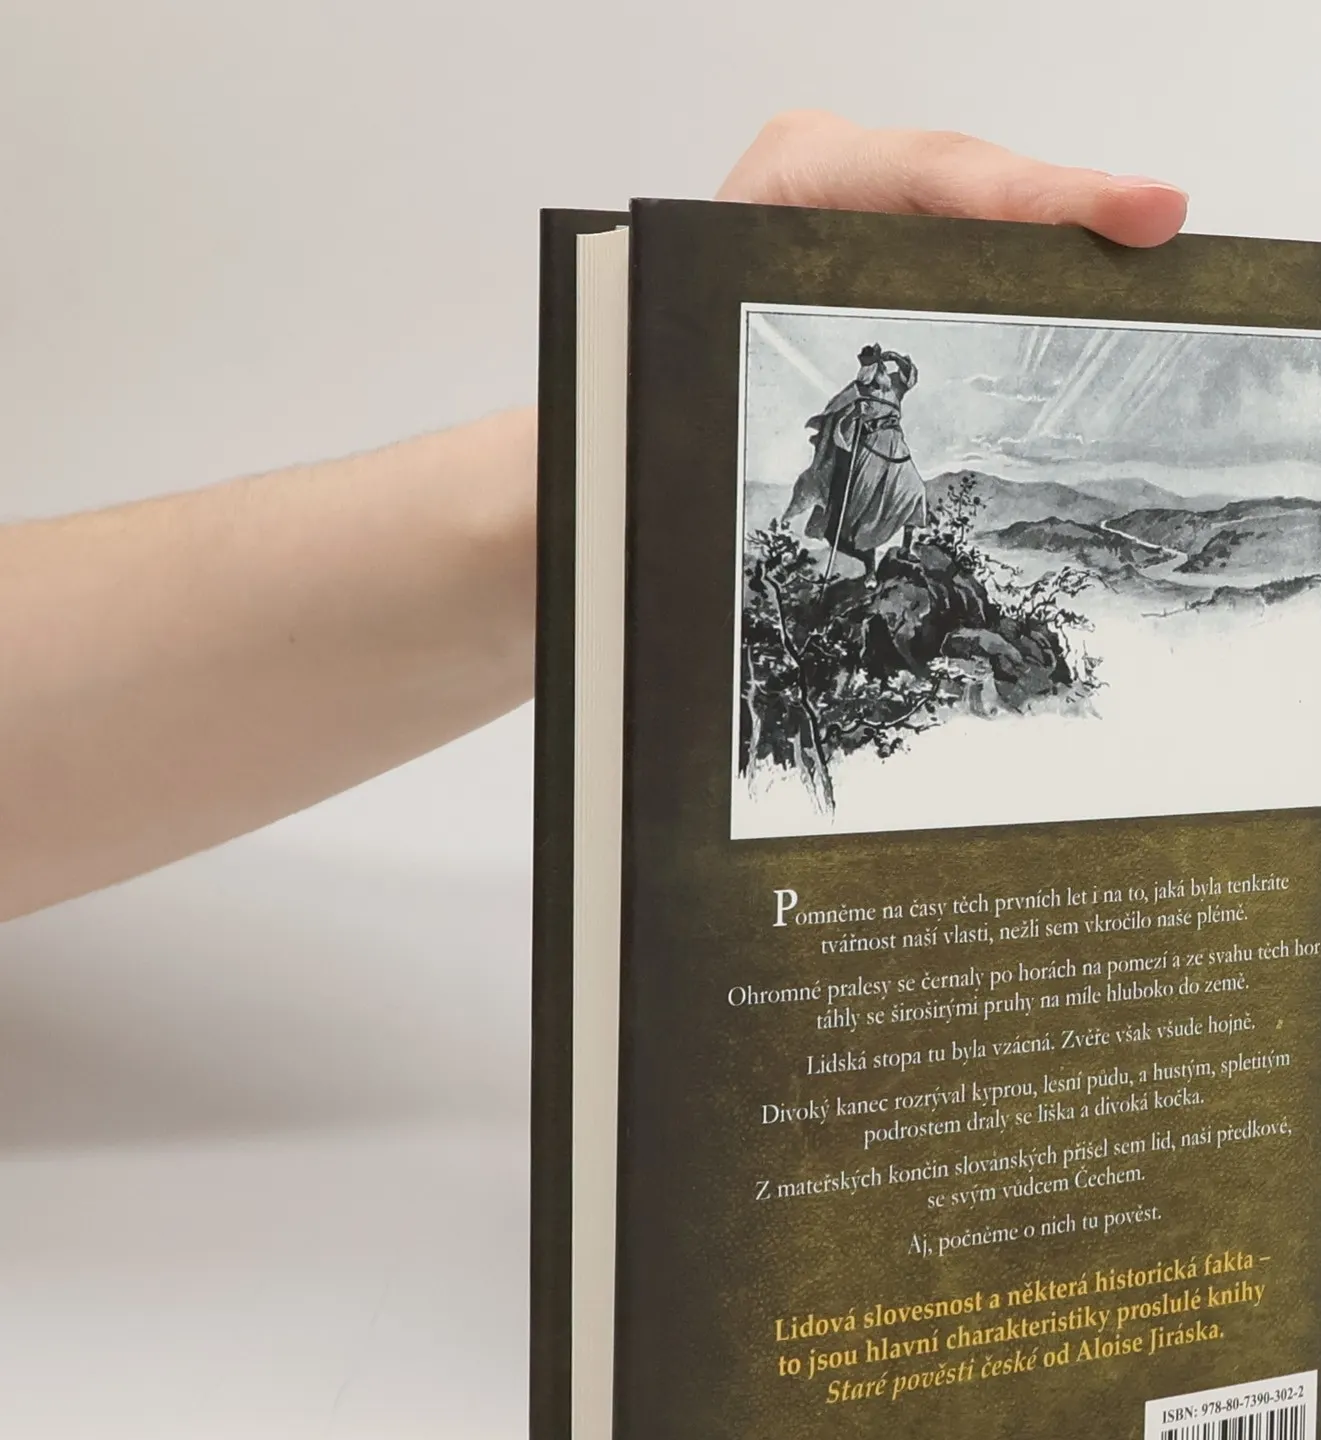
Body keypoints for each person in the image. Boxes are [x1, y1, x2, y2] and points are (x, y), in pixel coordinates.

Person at [0, 112, 1185, 923]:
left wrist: (639, 436)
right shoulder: (849, 414)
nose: (880, 386)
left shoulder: (891, 426)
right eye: (876, 377)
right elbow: (831, 454)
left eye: (888, 380)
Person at [783, 343, 928, 577]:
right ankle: (867, 567)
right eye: (874, 368)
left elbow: (910, 374)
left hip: (896, 448)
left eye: (880, 367)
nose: (879, 372)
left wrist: (896, 357)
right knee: (864, 507)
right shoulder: (858, 391)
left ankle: (905, 548)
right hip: (869, 451)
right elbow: (836, 419)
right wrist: (853, 416)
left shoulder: (894, 387)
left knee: (915, 490)